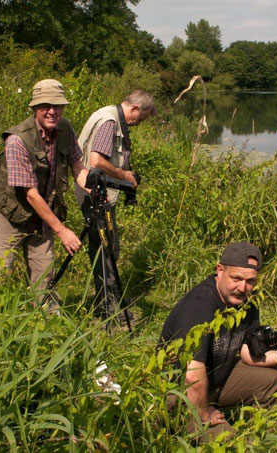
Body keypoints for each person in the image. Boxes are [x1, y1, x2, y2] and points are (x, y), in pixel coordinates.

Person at [159, 242, 277, 439]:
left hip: (215, 382)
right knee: (229, 443)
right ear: (220, 270)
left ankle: (260, 439)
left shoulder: (246, 302)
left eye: (250, 281)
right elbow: (191, 375)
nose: (242, 287)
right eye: (236, 278)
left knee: (276, 380)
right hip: (181, 394)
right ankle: (182, 425)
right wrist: (202, 412)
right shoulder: (200, 305)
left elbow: (247, 353)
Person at [0, 79, 89, 296]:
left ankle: (46, 321)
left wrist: (92, 189)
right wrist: (62, 231)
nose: (51, 111)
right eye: (44, 106)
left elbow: (77, 165)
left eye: (57, 106)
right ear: (34, 108)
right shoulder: (17, 141)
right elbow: (29, 194)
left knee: (45, 272)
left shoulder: (65, 128)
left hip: (44, 212)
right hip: (10, 213)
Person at [74, 90, 156, 323]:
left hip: (97, 192)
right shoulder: (110, 121)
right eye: (142, 118)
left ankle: (109, 297)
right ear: (135, 109)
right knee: (106, 248)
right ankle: (108, 305)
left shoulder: (110, 117)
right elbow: (96, 160)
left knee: (104, 247)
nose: (139, 124)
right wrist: (124, 175)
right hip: (94, 194)